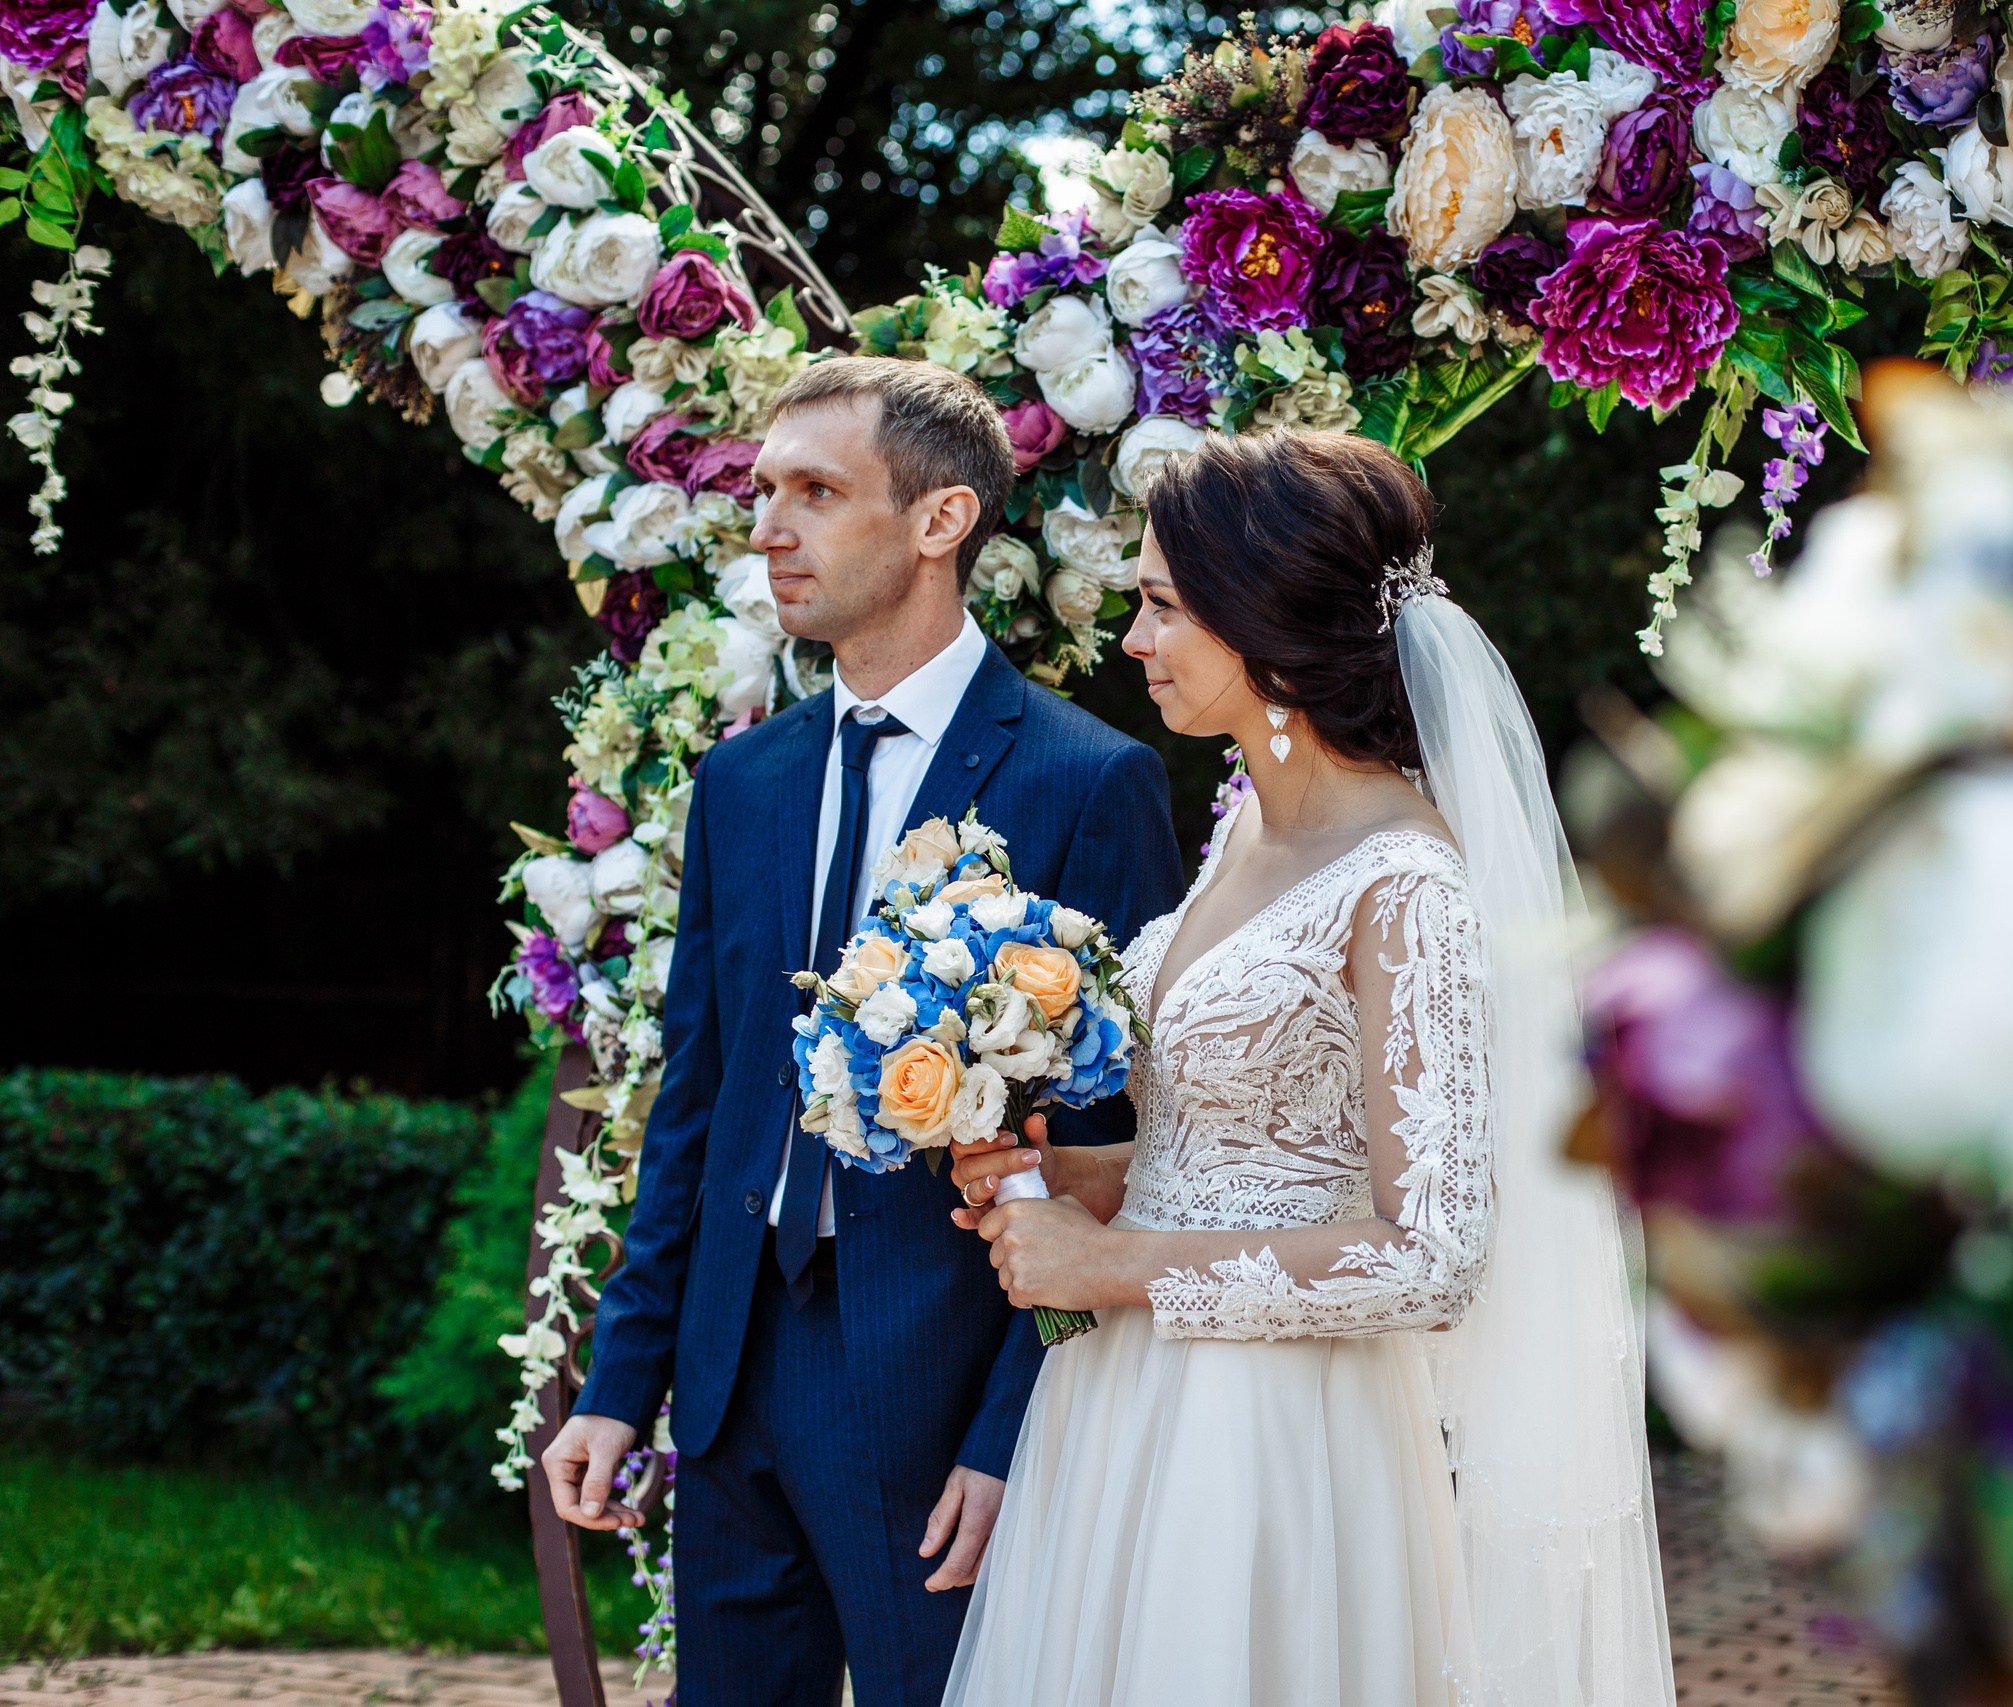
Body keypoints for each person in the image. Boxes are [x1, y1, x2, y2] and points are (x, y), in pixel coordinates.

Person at [939, 431, 1677, 1707]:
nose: (1134, 642)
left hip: (1276, 1434)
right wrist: (1078, 1174)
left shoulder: (1408, 886)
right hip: (1125, 1405)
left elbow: (1434, 1254)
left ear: (1262, 622)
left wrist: (1112, 1265)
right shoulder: (1240, 834)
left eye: (1163, 606)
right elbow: (1237, 1144)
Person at [539, 355, 1187, 1707]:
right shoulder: (743, 778)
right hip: (730, 1373)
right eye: (765, 490)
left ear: (940, 520)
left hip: (939, 1381)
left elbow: (1124, 1149)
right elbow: (700, 1101)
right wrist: (622, 1379)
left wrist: (1020, 1431)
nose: (769, 526)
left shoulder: (1087, 779)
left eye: (816, 491)